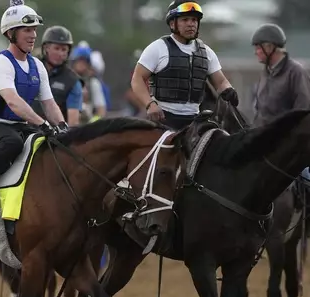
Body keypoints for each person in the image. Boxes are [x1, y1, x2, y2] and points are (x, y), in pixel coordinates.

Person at [0, 0, 67, 214]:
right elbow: (13, 101)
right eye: (27, 30)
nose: (33, 35)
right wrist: (42, 123)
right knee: (12, 143)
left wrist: (62, 126)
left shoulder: (37, 66)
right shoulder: (1, 63)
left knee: (51, 145)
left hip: (18, 125)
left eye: (34, 30)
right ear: (11, 33)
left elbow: (49, 104)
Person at [131, 0, 238, 130]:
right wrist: (150, 104)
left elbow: (221, 82)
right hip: (162, 120)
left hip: (195, 121)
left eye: (194, 20)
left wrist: (228, 90)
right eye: (185, 20)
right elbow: (137, 79)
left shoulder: (207, 52)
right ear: (172, 23)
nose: (191, 24)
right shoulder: (157, 48)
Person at [250, 23, 310, 185]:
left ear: (270, 47)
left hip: (289, 145)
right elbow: (259, 112)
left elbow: (303, 112)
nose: (256, 52)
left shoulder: (296, 72)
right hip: (264, 143)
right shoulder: (265, 74)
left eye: (258, 47)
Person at [31, 25, 83, 126]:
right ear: (46, 48)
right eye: (57, 48)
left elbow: (73, 122)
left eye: (64, 49)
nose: (60, 53)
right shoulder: (30, 68)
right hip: (23, 128)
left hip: (54, 135)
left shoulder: (73, 81)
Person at [70, 45, 107, 122]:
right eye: (79, 61)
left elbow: (101, 109)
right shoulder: (66, 80)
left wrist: (94, 123)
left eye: (84, 62)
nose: (81, 64)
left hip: (87, 125)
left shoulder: (93, 83)